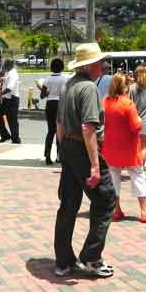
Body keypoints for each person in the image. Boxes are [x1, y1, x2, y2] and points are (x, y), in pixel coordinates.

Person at [54, 43, 117, 278]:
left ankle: (63, 260)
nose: (103, 65)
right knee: (106, 198)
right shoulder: (89, 88)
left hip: (68, 147)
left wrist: (64, 154)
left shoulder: (68, 85)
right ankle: (91, 256)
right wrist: (94, 165)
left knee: (68, 203)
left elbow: (59, 124)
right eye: (100, 62)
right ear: (90, 65)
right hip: (82, 146)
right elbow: (88, 128)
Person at [103, 72, 146, 223]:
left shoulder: (106, 102)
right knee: (138, 176)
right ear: (124, 87)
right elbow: (136, 127)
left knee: (113, 178)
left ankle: (116, 209)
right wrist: (140, 120)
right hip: (129, 148)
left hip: (110, 147)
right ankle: (144, 211)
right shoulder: (128, 104)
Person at [129, 65, 146, 167]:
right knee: (144, 147)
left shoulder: (131, 88)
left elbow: (128, 103)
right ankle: (140, 171)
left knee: (134, 146)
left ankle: (133, 168)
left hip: (133, 119)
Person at [41, 58, 67, 165]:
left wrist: (48, 93)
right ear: (62, 67)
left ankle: (47, 155)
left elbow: (42, 95)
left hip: (50, 104)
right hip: (60, 103)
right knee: (60, 130)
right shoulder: (65, 79)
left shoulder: (47, 79)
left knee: (51, 130)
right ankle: (59, 156)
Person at [0, 59, 21, 144]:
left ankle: (15, 139)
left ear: (9, 65)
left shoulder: (13, 74)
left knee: (12, 120)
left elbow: (9, 88)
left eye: (4, 64)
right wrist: (3, 80)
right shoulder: (9, 73)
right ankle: (5, 135)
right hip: (5, 99)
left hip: (12, 100)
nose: (3, 66)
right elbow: (7, 84)